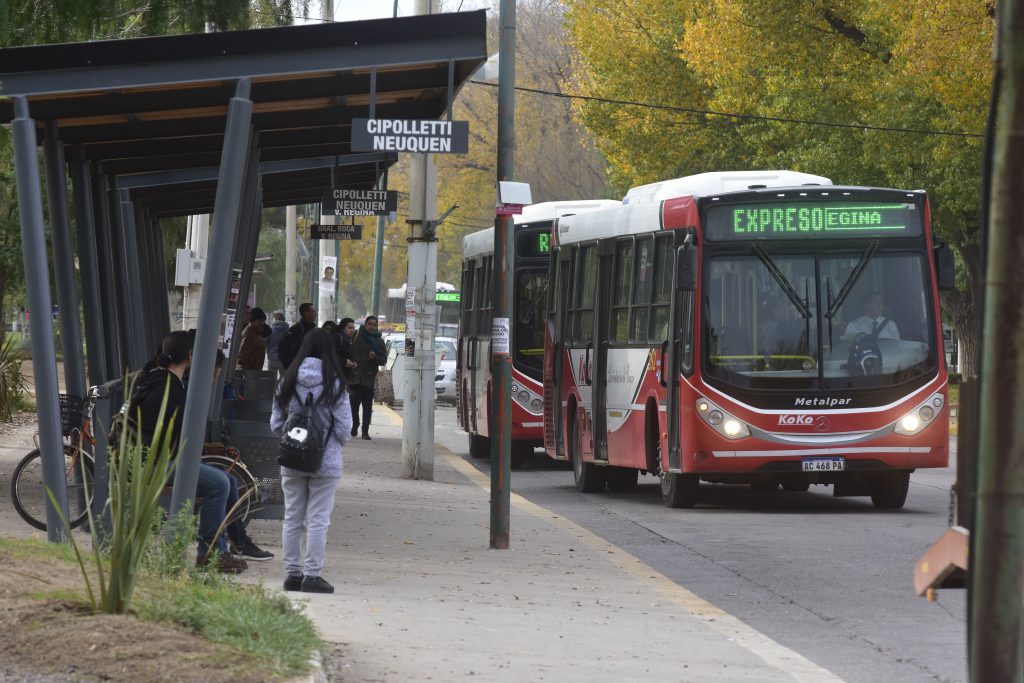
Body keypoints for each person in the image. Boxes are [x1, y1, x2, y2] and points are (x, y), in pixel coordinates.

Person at [128, 331, 247, 573]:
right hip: (158, 463)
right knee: (220, 484)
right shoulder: (170, 389)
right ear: (191, 356)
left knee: (230, 481)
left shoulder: (157, 380)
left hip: (153, 458)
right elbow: (184, 435)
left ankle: (227, 545)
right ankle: (210, 552)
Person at [270, 328, 352, 594]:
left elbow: (275, 425)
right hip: (325, 463)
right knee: (318, 519)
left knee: (292, 517)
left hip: (291, 460)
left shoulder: (287, 381)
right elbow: (344, 429)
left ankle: (292, 575)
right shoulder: (335, 384)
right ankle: (312, 576)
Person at [350, 315, 387, 440]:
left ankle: (365, 431)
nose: (371, 327)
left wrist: (374, 357)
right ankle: (355, 424)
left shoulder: (379, 341)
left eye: (374, 325)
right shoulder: (356, 336)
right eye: (369, 324)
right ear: (365, 325)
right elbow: (349, 353)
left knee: (367, 407)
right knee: (353, 406)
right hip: (355, 377)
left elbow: (383, 360)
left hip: (369, 379)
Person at [278, 302, 318, 370]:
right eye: (313, 311)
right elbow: (284, 349)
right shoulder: (295, 331)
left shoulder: (313, 330)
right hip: (297, 369)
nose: (316, 314)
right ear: (306, 313)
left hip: (309, 368)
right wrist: (290, 368)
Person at [336, 317, 360, 386]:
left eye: (353, 328)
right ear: (343, 328)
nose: (352, 330)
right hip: (336, 377)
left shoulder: (349, 340)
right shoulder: (337, 338)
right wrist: (344, 361)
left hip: (345, 378)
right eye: (349, 328)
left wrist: (354, 363)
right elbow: (330, 356)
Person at [266, 311, 290, 378]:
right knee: (284, 380)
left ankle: (273, 388)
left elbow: (266, 343)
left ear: (275, 320)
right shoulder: (289, 331)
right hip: (284, 359)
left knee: (271, 380)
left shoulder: (271, 331)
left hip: (272, 358)